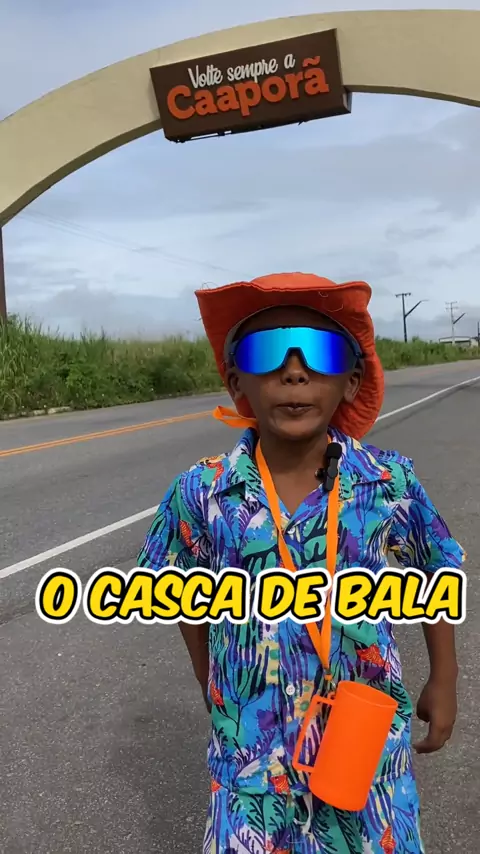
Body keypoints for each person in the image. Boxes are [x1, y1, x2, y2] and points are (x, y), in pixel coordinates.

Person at [137, 273, 465, 854]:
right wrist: (210, 679)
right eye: (267, 353)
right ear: (236, 381)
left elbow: (436, 568)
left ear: (351, 379)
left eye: (320, 353)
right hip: (251, 771)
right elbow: (175, 590)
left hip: (365, 759)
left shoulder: (389, 481)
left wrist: (445, 677)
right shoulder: (201, 491)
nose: (294, 372)